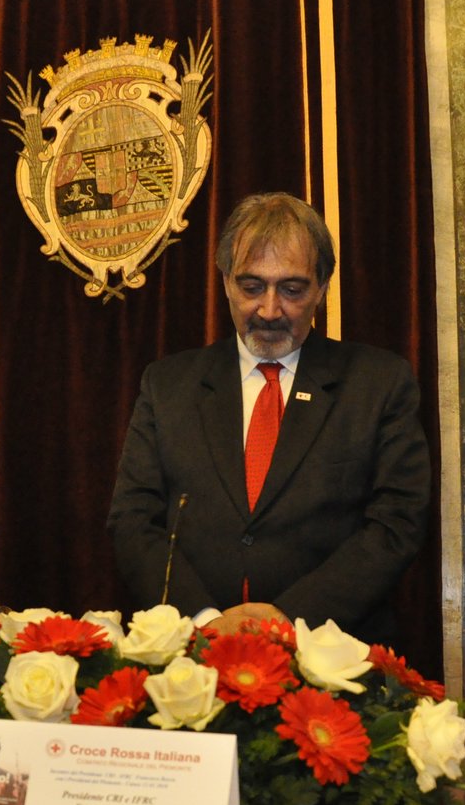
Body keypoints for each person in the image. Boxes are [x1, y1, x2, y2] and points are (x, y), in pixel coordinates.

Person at [108, 192, 430, 646]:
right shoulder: (168, 386)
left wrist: (287, 620)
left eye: (292, 289)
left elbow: (397, 523)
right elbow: (133, 520)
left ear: (323, 286)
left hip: (333, 655)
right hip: (192, 655)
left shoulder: (377, 384)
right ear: (224, 281)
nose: (270, 310)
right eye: (252, 286)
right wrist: (203, 621)